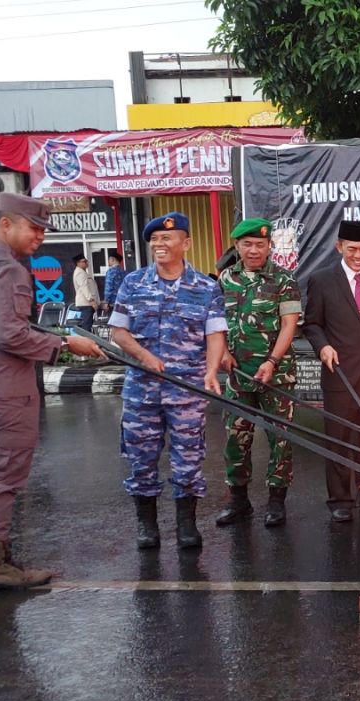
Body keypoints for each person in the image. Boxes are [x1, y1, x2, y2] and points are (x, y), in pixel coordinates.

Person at [0, 194, 103, 590]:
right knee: (1, 476)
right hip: (4, 388)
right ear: (5, 224)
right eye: (34, 228)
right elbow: (8, 334)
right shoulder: (7, 270)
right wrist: (65, 344)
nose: (40, 237)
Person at [108, 212, 227, 551]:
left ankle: (186, 524)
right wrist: (144, 356)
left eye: (167, 239)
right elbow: (118, 331)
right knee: (141, 458)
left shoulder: (206, 287)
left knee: (188, 458)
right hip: (141, 390)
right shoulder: (133, 283)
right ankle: (147, 525)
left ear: (185, 243)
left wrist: (210, 371)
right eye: (155, 239)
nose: (159, 244)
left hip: (187, 390)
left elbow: (215, 335)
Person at [303, 219, 360, 523]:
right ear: (339, 246)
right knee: (339, 437)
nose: (358, 255)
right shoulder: (322, 280)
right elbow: (312, 324)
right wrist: (323, 347)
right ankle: (340, 499)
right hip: (339, 372)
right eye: (352, 249)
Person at [215, 218, 302, 528]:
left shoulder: (284, 280)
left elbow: (289, 325)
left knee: (280, 439)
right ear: (237, 246)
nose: (254, 250)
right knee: (236, 438)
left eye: (260, 245)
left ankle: (276, 502)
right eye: (247, 244)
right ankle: (238, 501)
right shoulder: (225, 279)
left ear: (269, 247)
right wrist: (222, 353)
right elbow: (216, 323)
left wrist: (272, 361)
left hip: (276, 374)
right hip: (238, 375)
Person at [71, 253, 100, 331]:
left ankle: (87, 337)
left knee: (88, 324)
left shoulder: (82, 272)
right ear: (78, 263)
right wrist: (91, 300)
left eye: (86, 261)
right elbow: (84, 287)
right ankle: (86, 338)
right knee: (87, 326)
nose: (86, 263)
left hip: (87, 303)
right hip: (86, 303)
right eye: (84, 261)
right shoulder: (80, 273)